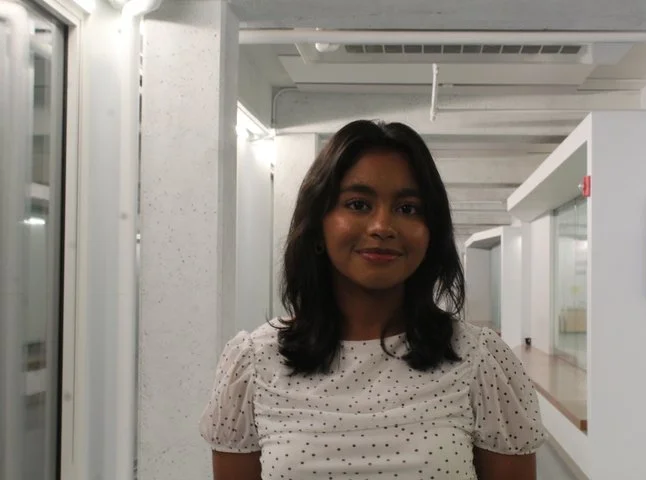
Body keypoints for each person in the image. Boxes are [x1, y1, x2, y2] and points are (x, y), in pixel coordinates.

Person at [199, 120, 546, 479]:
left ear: (431, 233)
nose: (382, 226)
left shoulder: (480, 360)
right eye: (358, 204)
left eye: (408, 208)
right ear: (318, 224)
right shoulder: (252, 365)